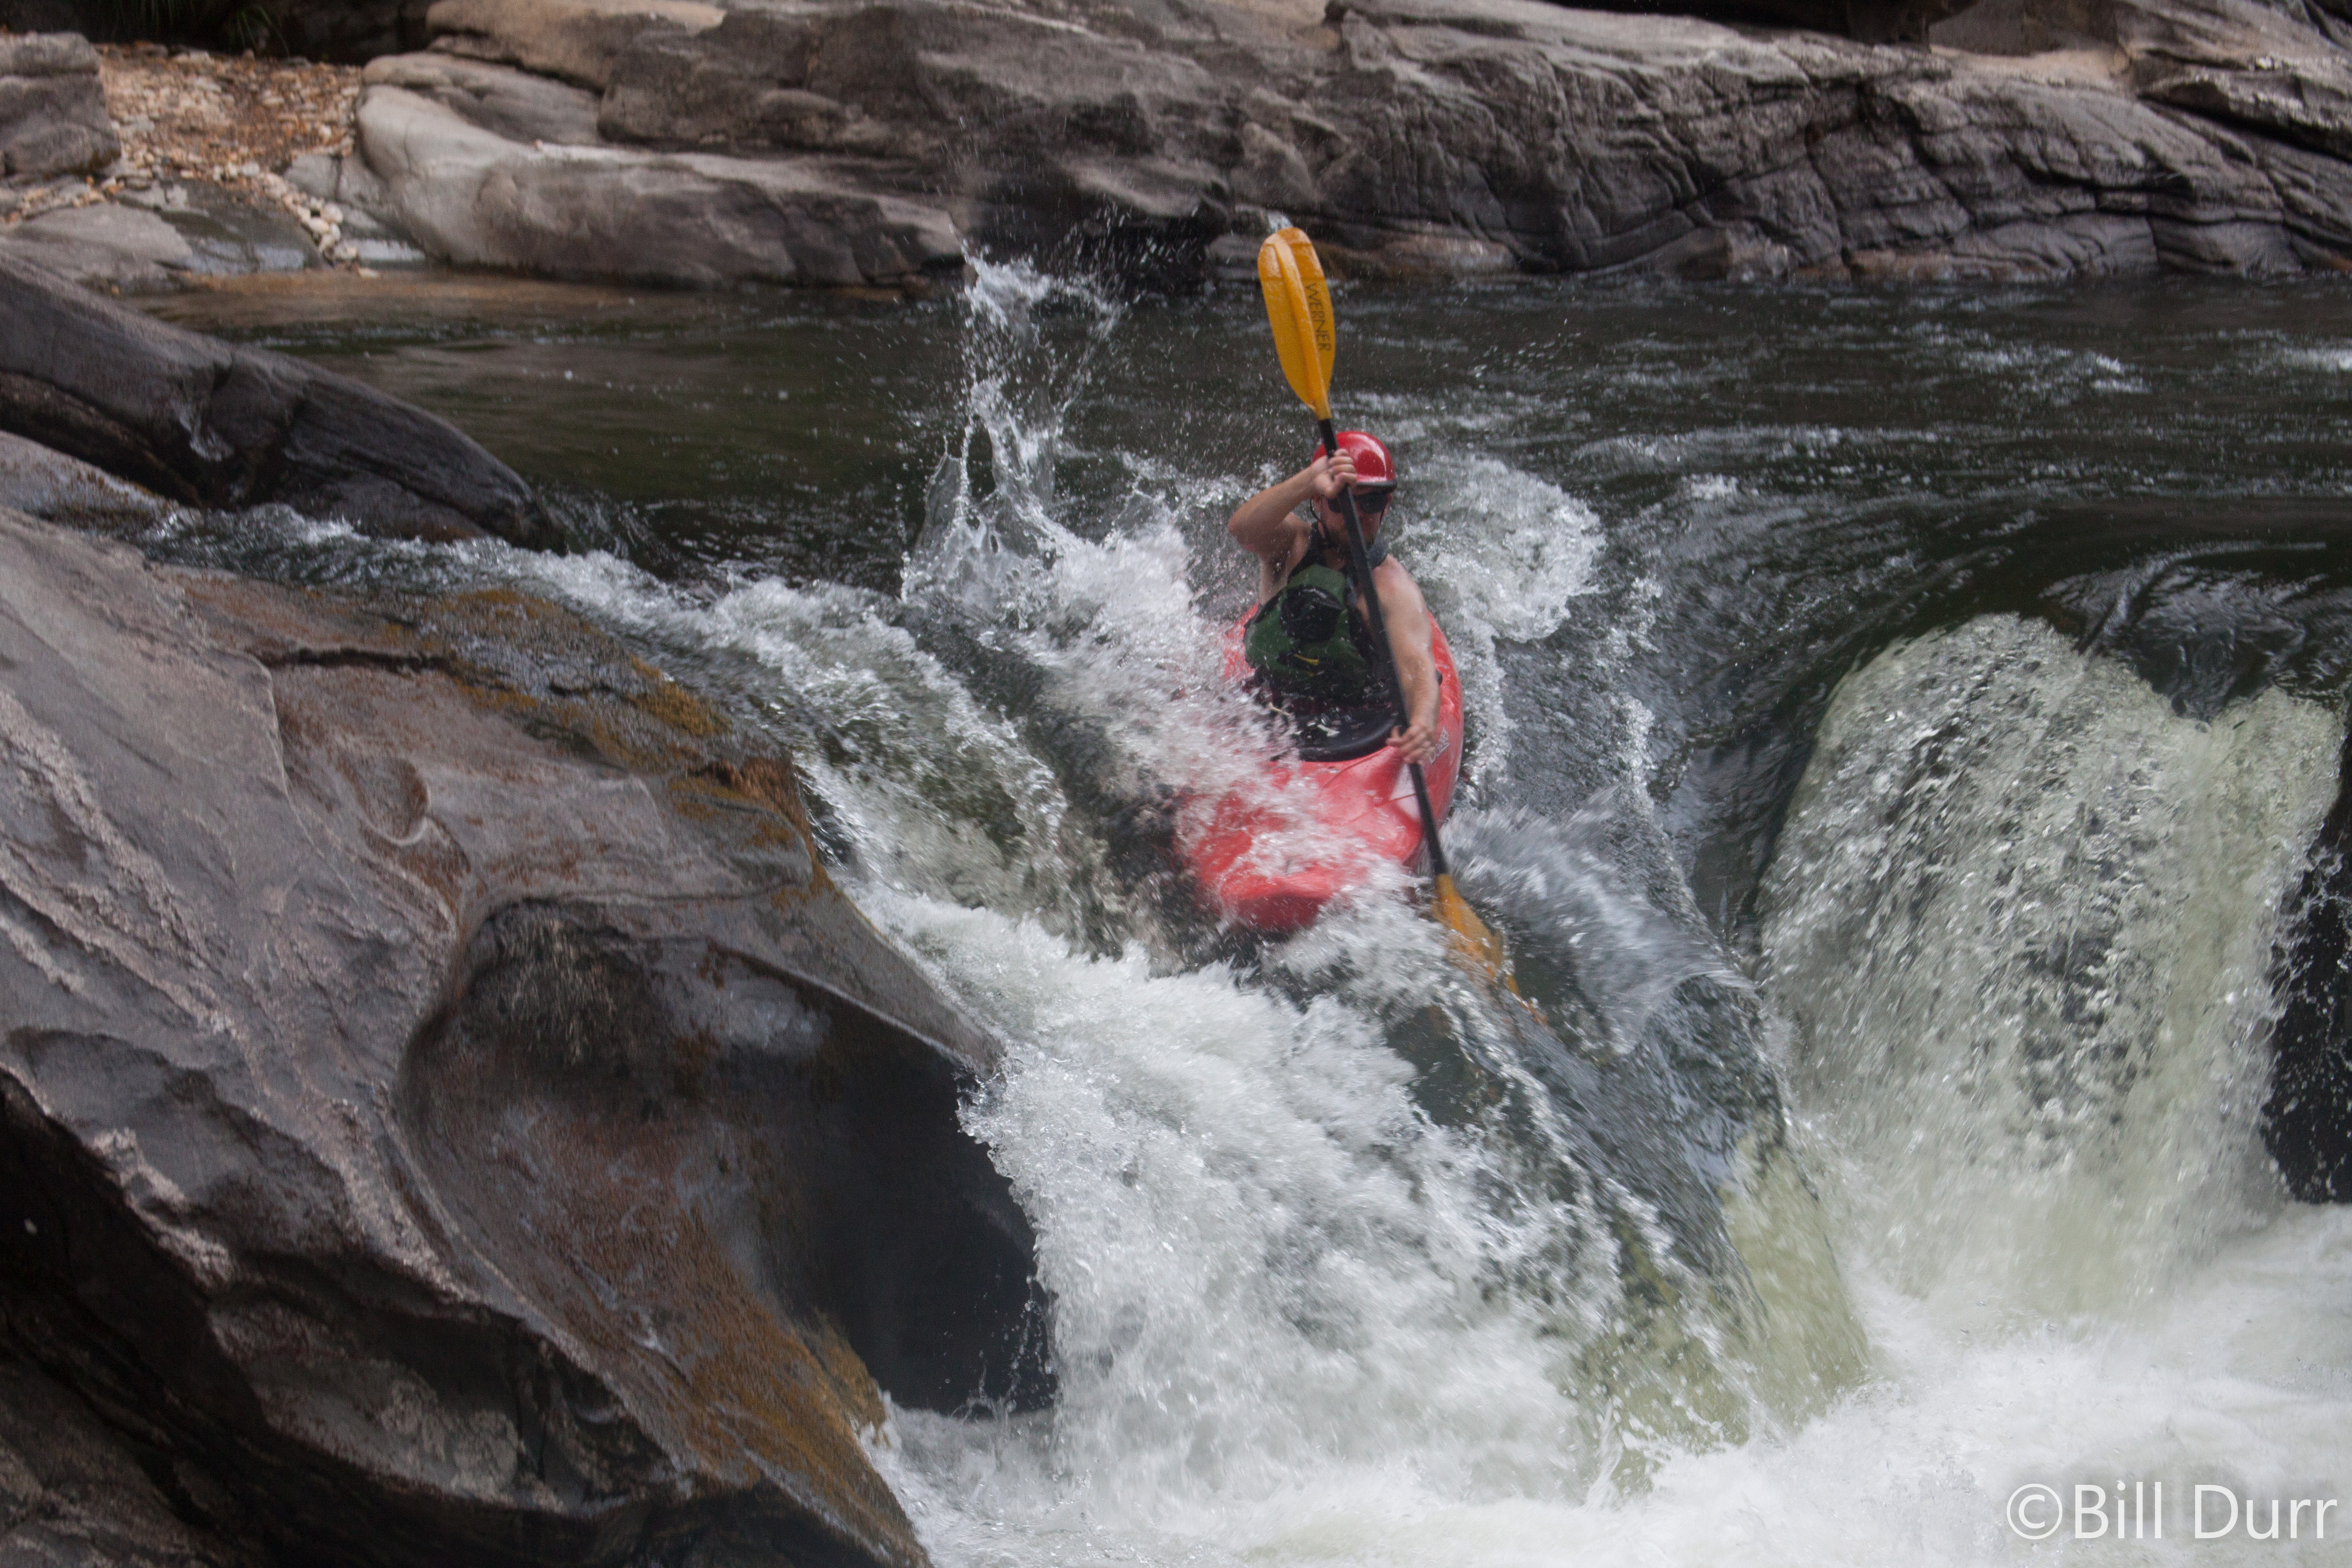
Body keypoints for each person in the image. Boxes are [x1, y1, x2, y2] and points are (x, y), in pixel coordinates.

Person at [1225, 430, 1443, 764]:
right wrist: (1308, 480)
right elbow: (1242, 529)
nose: (1357, 515)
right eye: (1341, 501)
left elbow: (1418, 667)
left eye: (1370, 502)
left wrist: (1422, 724)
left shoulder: (1393, 589)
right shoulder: (1289, 544)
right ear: (1318, 500)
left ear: (1386, 505)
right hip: (1270, 704)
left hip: (1355, 721)